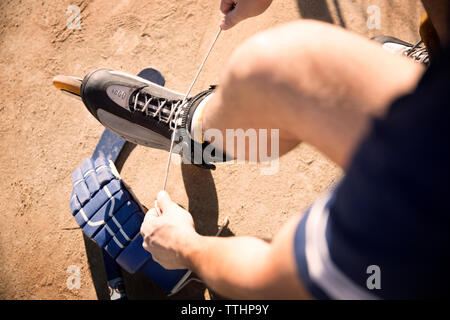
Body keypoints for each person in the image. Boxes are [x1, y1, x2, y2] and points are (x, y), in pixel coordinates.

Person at [81, 0, 449, 299]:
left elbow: (270, 276)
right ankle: (197, 135)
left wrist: (184, 246)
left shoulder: (413, 207)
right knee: (278, 71)